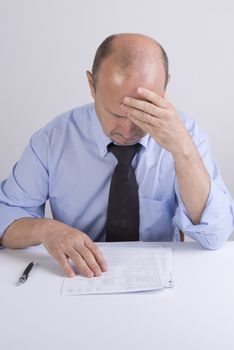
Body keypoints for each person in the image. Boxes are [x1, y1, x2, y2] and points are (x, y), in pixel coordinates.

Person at [0, 33, 233, 278]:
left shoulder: (187, 135)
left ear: (165, 89)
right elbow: (6, 213)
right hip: (76, 278)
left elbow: (215, 235)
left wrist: (183, 151)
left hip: (158, 282)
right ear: (92, 85)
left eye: (142, 112)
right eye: (117, 114)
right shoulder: (52, 140)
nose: (128, 130)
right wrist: (45, 229)